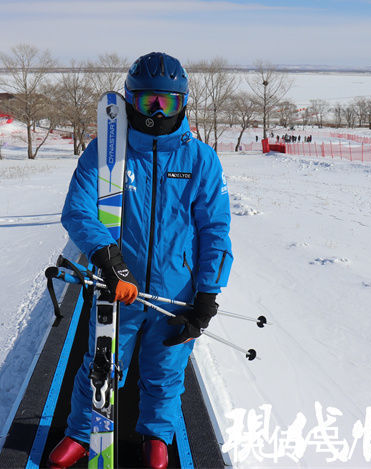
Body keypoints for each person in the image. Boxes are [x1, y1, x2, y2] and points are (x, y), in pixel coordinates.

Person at [49, 52, 233, 469]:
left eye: (165, 103)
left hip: (175, 291)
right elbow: (77, 210)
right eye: (147, 101)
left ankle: (156, 435)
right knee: (101, 365)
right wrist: (106, 255)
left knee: (165, 369)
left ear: (182, 103)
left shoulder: (200, 160)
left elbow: (215, 232)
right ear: (130, 101)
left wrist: (207, 294)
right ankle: (82, 432)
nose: (155, 111)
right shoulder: (105, 152)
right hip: (119, 286)